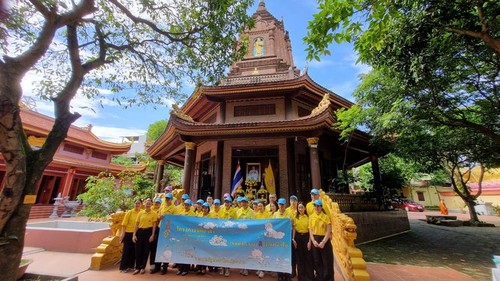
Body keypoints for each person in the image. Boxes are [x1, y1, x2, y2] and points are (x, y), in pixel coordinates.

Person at [309, 199, 333, 281]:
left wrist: (323, 242)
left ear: (321, 207)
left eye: (318, 206)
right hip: (315, 239)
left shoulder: (326, 217)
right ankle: (319, 277)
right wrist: (313, 241)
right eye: (315, 206)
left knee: (326, 261)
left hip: (324, 239)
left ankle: (327, 278)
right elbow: (310, 230)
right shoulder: (311, 216)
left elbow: (329, 230)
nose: (316, 207)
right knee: (316, 260)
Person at [132, 199, 158, 275]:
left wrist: (152, 235)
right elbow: (136, 224)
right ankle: (137, 267)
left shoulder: (154, 213)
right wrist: (134, 234)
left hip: (148, 232)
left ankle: (143, 267)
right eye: (147, 203)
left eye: (149, 204)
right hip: (140, 232)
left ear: (151, 205)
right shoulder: (140, 213)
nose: (148, 205)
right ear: (144, 204)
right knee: (138, 250)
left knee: (146, 250)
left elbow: (154, 225)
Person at [119, 199, 142, 273]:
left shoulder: (142, 212)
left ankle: (131, 265)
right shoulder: (129, 212)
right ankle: (123, 267)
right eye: (136, 203)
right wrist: (123, 234)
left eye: (138, 203)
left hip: (137, 233)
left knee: (133, 250)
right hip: (128, 233)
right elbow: (124, 224)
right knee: (126, 250)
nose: (137, 205)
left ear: (141, 204)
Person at [293, 202, 314, 281]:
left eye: (302, 207)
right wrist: (293, 239)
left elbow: (310, 230)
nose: (300, 209)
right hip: (298, 237)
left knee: (308, 257)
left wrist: (309, 242)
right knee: (299, 257)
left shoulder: (308, 217)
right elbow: (294, 229)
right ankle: (301, 277)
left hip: (306, 237)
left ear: (305, 208)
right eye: (299, 208)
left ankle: (309, 277)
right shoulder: (295, 217)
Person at [149, 198, 163, 273]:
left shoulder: (161, 209)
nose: (156, 204)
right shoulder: (150, 209)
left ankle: (157, 265)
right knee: (151, 249)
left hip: (157, 229)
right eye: (155, 202)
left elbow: (159, 217)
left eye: (158, 203)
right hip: (148, 230)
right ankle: (152, 264)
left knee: (156, 248)